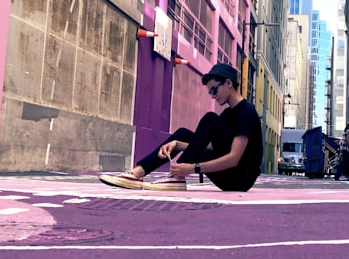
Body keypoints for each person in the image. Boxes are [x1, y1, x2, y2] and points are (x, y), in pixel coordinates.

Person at [99, 63, 263, 192]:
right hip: (229, 174)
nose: (212, 95)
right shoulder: (228, 114)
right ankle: (137, 173)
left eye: (214, 89)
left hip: (240, 178)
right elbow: (214, 147)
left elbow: (234, 158)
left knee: (210, 118)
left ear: (228, 83)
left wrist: (192, 168)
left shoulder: (246, 113)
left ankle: (176, 179)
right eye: (210, 92)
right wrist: (179, 146)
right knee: (182, 134)